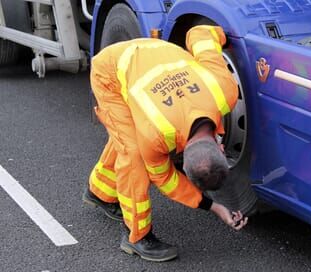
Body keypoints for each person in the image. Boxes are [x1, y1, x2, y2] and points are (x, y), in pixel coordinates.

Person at [83, 25, 248, 262]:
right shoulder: (156, 134)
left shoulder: (223, 90)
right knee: (133, 155)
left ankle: (100, 192)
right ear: (221, 147)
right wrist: (213, 206)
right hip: (110, 71)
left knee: (128, 137)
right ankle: (136, 237)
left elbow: (201, 33)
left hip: (153, 53)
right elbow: (164, 179)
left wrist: (226, 33)